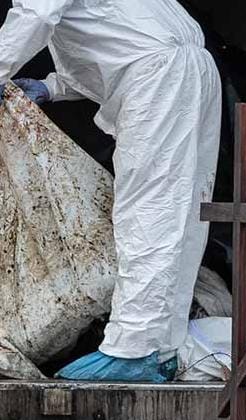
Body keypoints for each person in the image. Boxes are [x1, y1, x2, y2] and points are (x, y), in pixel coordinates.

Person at [0, 1, 221, 381]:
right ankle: (162, 346)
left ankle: (132, 349)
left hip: (159, 77)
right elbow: (118, 38)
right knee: (181, 213)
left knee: (148, 211)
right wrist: (51, 87)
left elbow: (36, 17)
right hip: (188, 67)